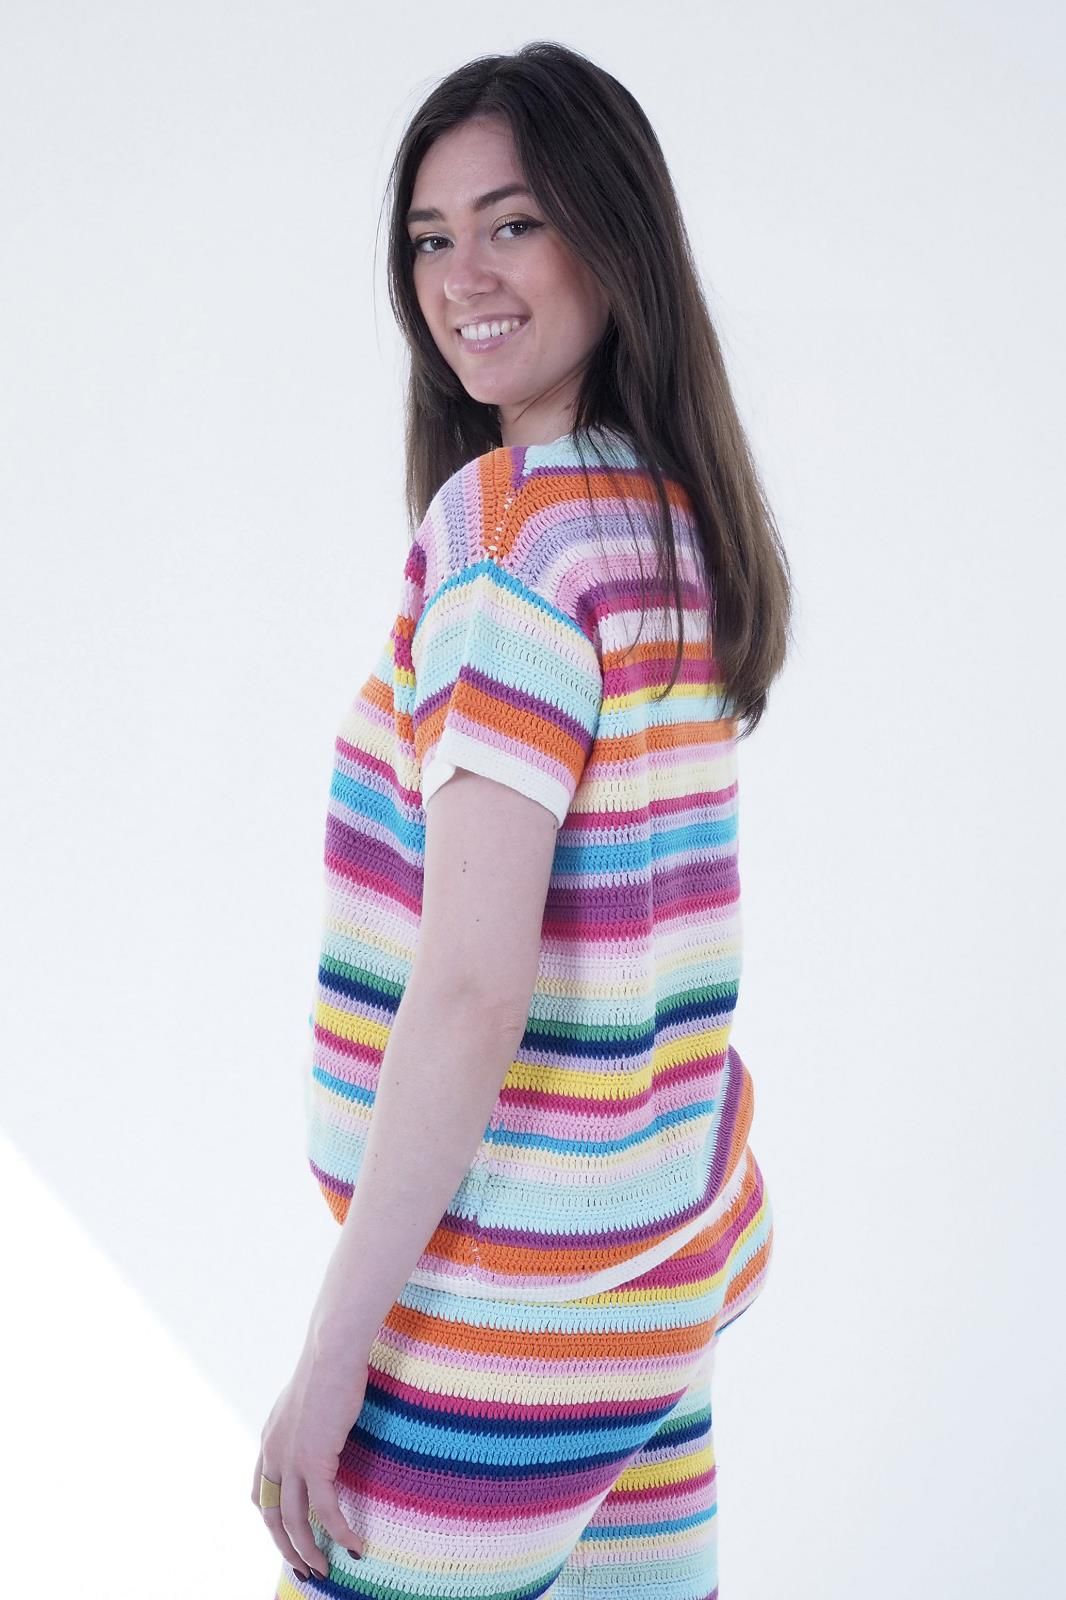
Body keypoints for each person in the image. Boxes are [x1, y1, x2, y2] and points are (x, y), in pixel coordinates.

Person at [253, 39, 793, 1600]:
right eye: (431, 238)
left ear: (610, 236)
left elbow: (476, 985)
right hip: (663, 1267)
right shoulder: (665, 517)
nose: (461, 278)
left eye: (513, 223)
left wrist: (333, 1355)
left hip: (508, 1325)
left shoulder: (507, 543)